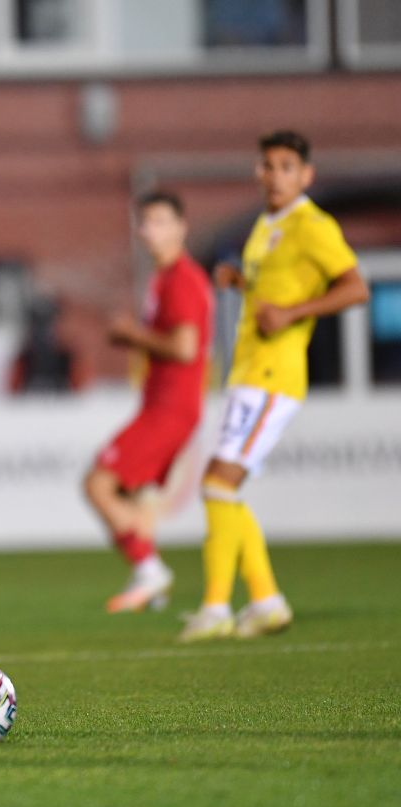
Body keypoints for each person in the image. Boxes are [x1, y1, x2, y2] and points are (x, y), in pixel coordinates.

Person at [179, 130, 369, 642]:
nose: (274, 174)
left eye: (286, 165)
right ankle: (264, 601)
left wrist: (293, 312)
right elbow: (275, 289)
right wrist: (241, 284)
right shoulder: (266, 224)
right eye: (267, 165)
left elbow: (356, 287)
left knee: (219, 485)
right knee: (223, 489)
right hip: (247, 371)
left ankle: (219, 607)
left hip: (275, 374)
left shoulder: (313, 225)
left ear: (306, 175)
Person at [84, 192, 213, 614]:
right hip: (164, 405)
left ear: (182, 226)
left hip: (170, 408)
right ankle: (150, 585)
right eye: (144, 222)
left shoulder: (182, 280)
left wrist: (129, 335)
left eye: (159, 221)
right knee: (133, 496)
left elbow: (185, 348)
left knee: (99, 484)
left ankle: (150, 570)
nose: (148, 231)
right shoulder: (164, 279)